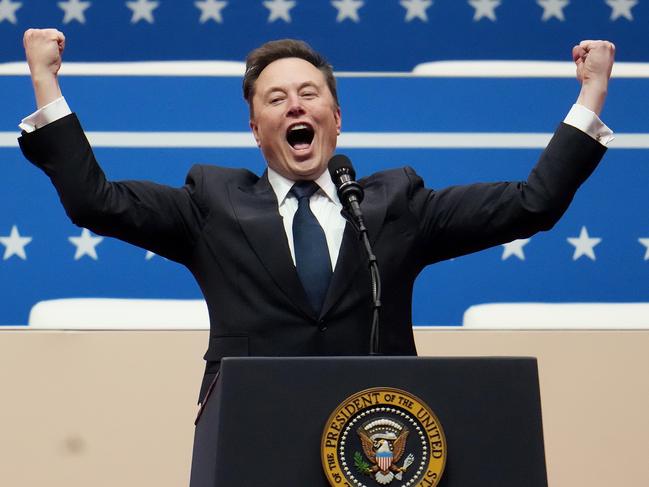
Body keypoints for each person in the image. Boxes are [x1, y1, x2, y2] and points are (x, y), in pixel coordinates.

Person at [19, 29, 615, 403]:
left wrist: (590, 95)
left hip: (382, 435)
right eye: (275, 99)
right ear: (255, 129)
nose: (295, 104)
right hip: (250, 432)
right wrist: (45, 81)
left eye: (309, 93)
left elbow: (530, 203)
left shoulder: (396, 204)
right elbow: (94, 200)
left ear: (336, 116)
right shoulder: (210, 204)